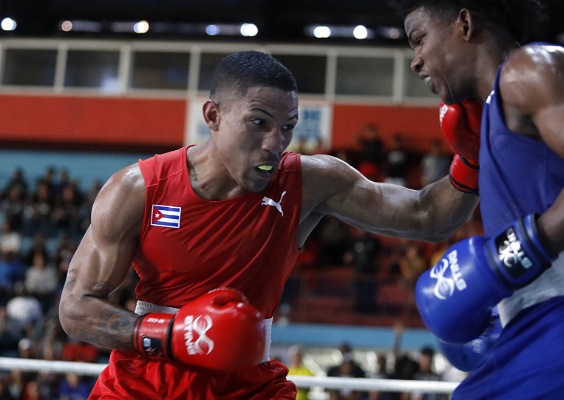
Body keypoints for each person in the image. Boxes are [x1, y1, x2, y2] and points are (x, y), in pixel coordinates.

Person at [58, 50, 479, 399]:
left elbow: (427, 216)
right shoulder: (139, 188)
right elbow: (75, 308)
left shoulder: (308, 182)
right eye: (259, 123)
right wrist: (171, 334)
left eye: (287, 128)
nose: (274, 144)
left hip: (248, 386)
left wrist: (474, 159)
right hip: (142, 383)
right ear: (213, 115)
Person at [397, 0, 564, 398]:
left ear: (465, 23)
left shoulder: (530, 68)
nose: (415, 61)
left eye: (419, 40)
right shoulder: (493, 117)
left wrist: (515, 253)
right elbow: (427, 214)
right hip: (548, 322)